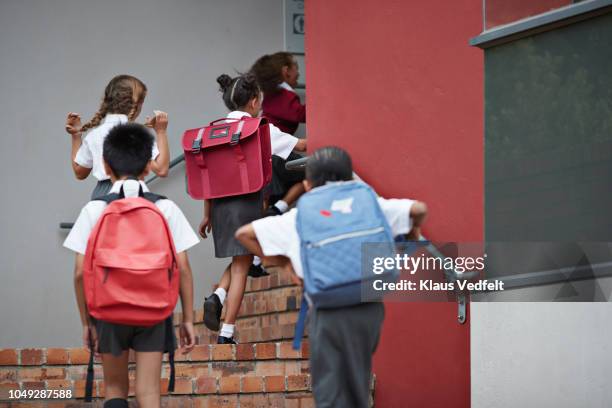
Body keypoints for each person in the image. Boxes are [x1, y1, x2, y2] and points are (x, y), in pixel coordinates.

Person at [235, 146, 427, 408]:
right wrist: (411, 237)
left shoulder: (300, 215)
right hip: (370, 307)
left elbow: (244, 234)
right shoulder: (369, 202)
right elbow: (418, 208)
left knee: (329, 392)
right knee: (356, 384)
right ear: (349, 178)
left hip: (329, 310)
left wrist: (285, 263)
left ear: (306, 184)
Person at [63, 123, 198, 408]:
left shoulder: (94, 210)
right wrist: (187, 319)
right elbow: (183, 268)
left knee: (114, 387)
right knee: (148, 392)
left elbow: (78, 273)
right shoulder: (166, 207)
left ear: (105, 166)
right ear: (149, 166)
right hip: (154, 310)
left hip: (109, 311)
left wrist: (87, 322)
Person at [199, 73, 306, 343]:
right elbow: (301, 145)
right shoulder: (259, 128)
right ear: (255, 100)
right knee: (241, 267)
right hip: (247, 203)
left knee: (239, 260)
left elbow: (207, 176)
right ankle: (226, 333)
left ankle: (217, 296)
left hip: (219, 206)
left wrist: (206, 214)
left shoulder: (212, 132)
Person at [64, 74, 170, 199]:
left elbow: (79, 173)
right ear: (137, 105)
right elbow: (162, 170)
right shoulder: (137, 135)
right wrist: (161, 131)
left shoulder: (94, 135)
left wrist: (76, 135)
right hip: (130, 193)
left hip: (101, 196)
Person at [251, 52, 307, 218]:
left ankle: (272, 210)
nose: (299, 73)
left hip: (269, 152)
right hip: (277, 151)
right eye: (296, 67)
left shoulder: (271, 96)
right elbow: (299, 114)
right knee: (313, 173)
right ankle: (278, 208)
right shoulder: (283, 95)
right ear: (286, 71)